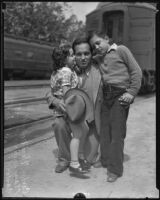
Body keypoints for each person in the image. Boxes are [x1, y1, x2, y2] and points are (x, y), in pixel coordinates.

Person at [88, 31, 142, 182]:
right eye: (94, 46)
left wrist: (131, 92)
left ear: (106, 38)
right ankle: (104, 159)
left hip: (120, 95)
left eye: (98, 42)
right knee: (105, 131)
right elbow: (87, 60)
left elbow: (136, 72)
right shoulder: (100, 57)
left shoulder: (121, 50)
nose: (96, 47)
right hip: (106, 96)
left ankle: (115, 169)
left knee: (117, 134)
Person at [46, 37, 102, 175]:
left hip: (92, 122)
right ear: (73, 56)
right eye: (78, 54)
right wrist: (55, 101)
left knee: (90, 159)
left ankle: (81, 156)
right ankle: (64, 158)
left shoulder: (100, 72)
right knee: (58, 124)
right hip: (72, 115)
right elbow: (49, 92)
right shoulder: (66, 71)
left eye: (86, 54)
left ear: (91, 54)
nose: (83, 58)